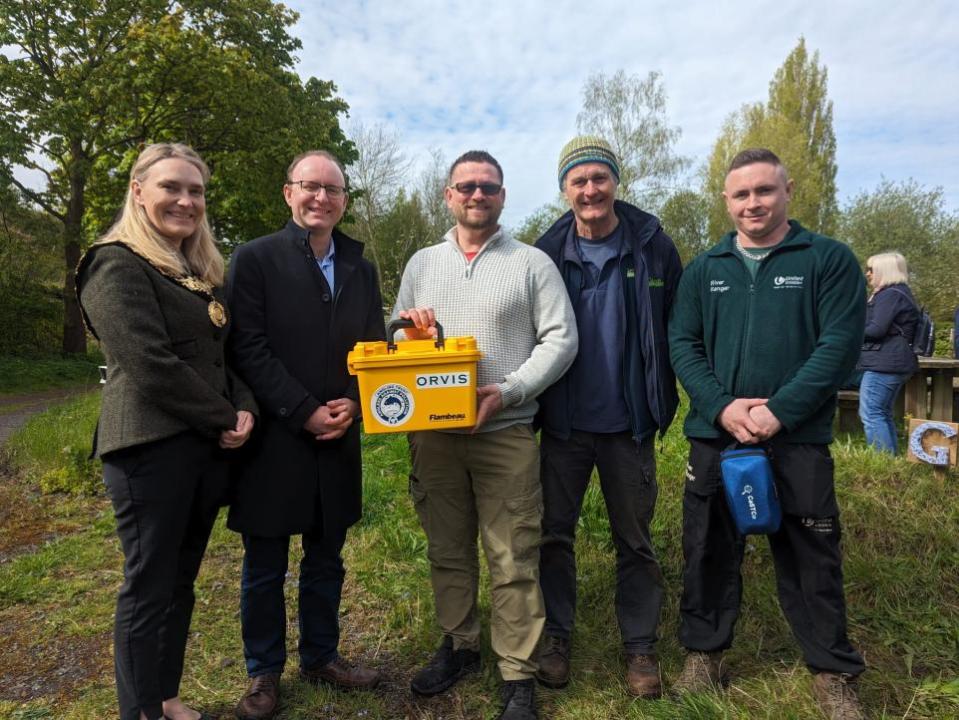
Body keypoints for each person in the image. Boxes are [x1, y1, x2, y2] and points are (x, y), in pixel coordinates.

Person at [669, 148, 867, 720]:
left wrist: (779, 410)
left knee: (813, 554)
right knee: (705, 547)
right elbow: (683, 343)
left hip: (797, 437)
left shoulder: (827, 260)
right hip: (716, 434)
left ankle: (833, 672)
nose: (753, 202)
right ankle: (703, 655)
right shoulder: (706, 269)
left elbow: (839, 346)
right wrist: (721, 406)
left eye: (764, 191)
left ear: (788, 191)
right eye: (741, 194)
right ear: (726, 200)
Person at [77, 143, 257, 720]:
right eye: (171, 188)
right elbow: (152, 364)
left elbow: (223, 359)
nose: (185, 200)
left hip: (200, 450)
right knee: (148, 589)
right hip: (148, 450)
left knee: (180, 583)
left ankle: (164, 697)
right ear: (137, 191)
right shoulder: (115, 262)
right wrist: (225, 417)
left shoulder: (198, 273)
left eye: (196, 191)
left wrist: (245, 407)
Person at [395, 150, 577, 720]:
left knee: (513, 553)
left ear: (502, 196)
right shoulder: (422, 262)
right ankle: (460, 644)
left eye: (489, 187)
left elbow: (560, 340)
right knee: (447, 548)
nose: (477, 194)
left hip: (506, 432)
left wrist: (509, 391)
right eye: (466, 186)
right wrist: (411, 334)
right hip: (433, 435)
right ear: (447, 195)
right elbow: (397, 337)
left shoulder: (531, 263)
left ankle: (517, 671)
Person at [227, 150, 386, 720]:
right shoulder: (253, 260)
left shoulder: (361, 268)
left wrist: (354, 397)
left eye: (334, 190)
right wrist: (302, 409)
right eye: (310, 187)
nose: (321, 198)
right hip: (274, 437)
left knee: (327, 557)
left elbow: (372, 345)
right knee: (265, 564)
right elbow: (247, 348)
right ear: (288, 193)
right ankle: (263, 673)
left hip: (339, 433)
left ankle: (321, 654)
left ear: (344, 201)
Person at [532, 136, 681, 697]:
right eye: (579, 180)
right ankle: (555, 639)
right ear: (564, 188)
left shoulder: (653, 247)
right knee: (553, 537)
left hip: (630, 425)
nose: (590, 189)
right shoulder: (544, 254)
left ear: (616, 182)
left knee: (636, 541)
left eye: (600, 177)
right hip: (563, 425)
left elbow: (679, 330)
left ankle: (640, 648)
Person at [857, 252, 919, 453]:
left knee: (872, 413)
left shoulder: (890, 295)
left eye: (871, 269)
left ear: (884, 270)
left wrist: (848, 331)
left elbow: (876, 329)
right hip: (893, 361)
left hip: (885, 363)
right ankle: (890, 460)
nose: (867, 274)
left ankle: (881, 460)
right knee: (881, 412)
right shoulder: (898, 292)